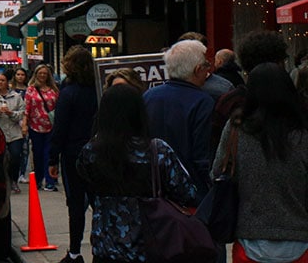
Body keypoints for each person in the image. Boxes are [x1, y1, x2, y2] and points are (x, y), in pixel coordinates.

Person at [76, 84, 199, 263]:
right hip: (151, 244)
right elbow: (188, 193)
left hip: (106, 247)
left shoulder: (90, 152)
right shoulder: (158, 151)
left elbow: (86, 187)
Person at [215, 62, 308, 263]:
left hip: (249, 237)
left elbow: (218, 171)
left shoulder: (236, 128)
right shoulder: (302, 131)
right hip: (300, 234)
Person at [143, 38, 215, 196]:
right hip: (189, 187)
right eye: (206, 65)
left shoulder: (148, 96)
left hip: (153, 185)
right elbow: (202, 152)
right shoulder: (202, 101)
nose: (208, 71)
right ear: (197, 70)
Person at [48, 45, 98, 263]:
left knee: (76, 204)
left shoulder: (68, 94)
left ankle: (75, 251)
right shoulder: (99, 91)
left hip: (73, 153)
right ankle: (101, 247)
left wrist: (52, 158)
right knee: (100, 202)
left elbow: (60, 128)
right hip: (99, 150)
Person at [0, 71, 26, 194]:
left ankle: (14, 180)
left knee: (15, 157)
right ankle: (1, 182)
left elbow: (22, 113)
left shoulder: (16, 96)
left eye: (2, 80)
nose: (0, 83)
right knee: (0, 159)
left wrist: (11, 113)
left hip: (14, 133)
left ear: (7, 82)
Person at [26, 63, 60, 191]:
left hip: (50, 126)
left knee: (48, 153)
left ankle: (50, 181)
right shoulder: (31, 89)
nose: (42, 75)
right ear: (36, 74)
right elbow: (27, 108)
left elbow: (58, 107)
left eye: (45, 73)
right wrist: (25, 124)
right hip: (35, 126)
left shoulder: (54, 90)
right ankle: (38, 179)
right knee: (37, 154)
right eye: (40, 73)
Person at [13, 66, 32, 182]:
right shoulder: (11, 90)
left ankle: (22, 173)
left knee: (25, 149)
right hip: (13, 122)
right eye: (18, 74)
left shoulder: (29, 90)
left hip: (25, 122)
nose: (20, 77)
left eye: (22, 75)